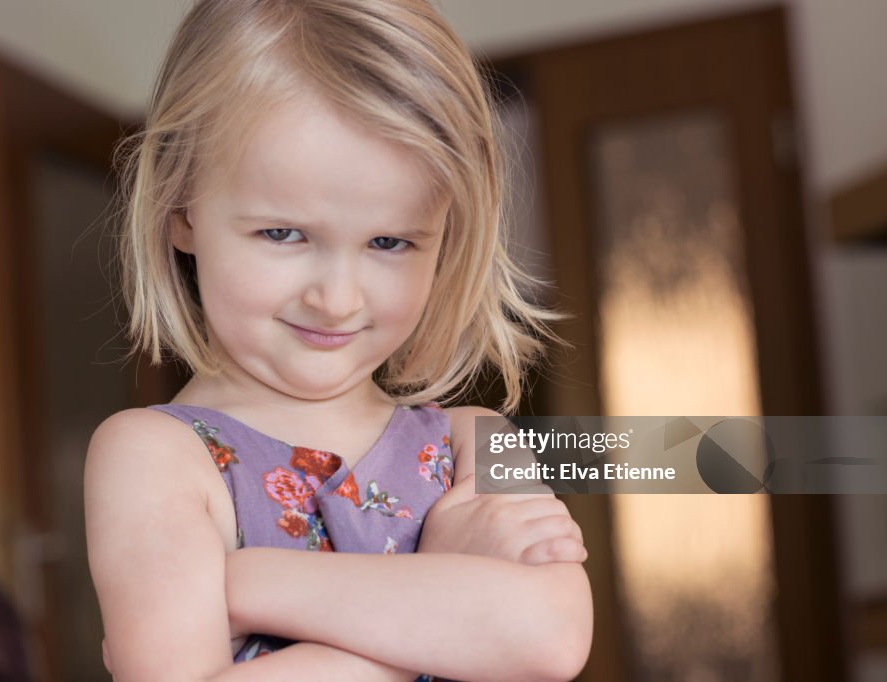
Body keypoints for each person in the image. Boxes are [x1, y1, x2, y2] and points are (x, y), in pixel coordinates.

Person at [84, 1, 593, 680]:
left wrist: (250, 583)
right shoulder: (154, 457)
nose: (337, 298)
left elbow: (549, 639)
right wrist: (446, 603)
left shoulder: (479, 439)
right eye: (283, 233)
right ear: (182, 206)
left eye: (389, 242)